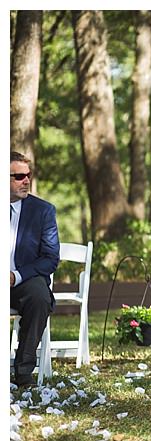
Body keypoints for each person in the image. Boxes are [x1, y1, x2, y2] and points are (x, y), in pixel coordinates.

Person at [10, 151, 60, 388]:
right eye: (19, 176)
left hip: (23, 280)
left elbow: (50, 258)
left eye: (28, 175)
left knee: (40, 297)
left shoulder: (43, 211)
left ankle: (23, 373)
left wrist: (15, 276)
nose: (26, 181)